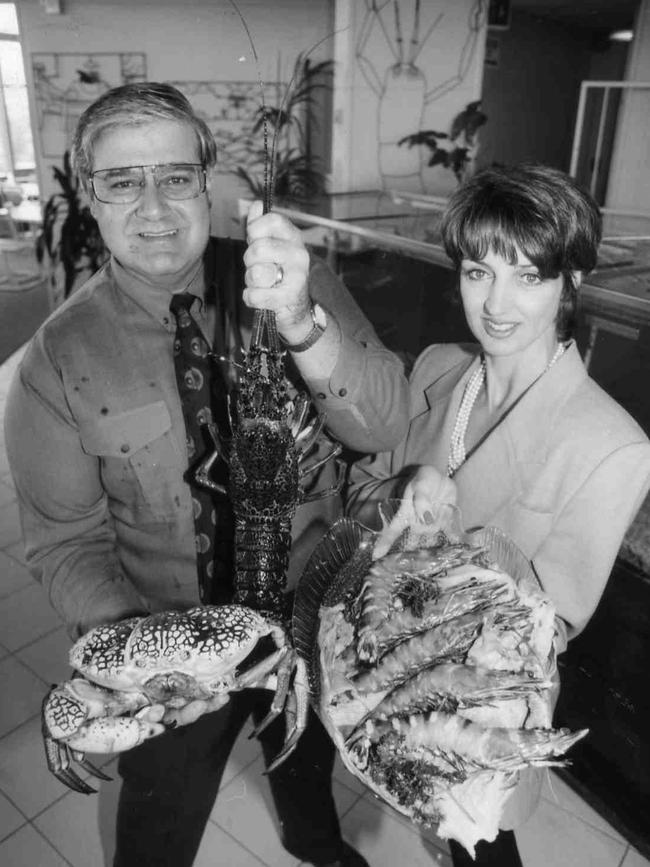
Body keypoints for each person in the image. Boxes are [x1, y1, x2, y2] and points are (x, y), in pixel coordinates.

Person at [4, 82, 410, 867]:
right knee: (158, 821)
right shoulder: (54, 361)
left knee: (306, 762)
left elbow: (386, 425)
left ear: (208, 178)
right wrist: (159, 655)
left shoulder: (299, 282)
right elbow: (64, 543)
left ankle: (315, 842)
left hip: (307, 613)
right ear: (90, 196)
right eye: (122, 181)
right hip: (165, 637)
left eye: (176, 176)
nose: (153, 206)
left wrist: (299, 321)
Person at [345, 163, 650, 867]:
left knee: (481, 841)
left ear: (571, 282)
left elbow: (552, 620)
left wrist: (447, 541)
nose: (497, 304)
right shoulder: (436, 368)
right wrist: (404, 489)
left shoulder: (613, 445)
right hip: (381, 674)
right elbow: (359, 499)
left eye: (529, 276)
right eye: (479, 272)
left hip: (480, 707)